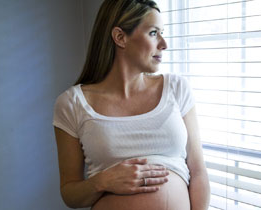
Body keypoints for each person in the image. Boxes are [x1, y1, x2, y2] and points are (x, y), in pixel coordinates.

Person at [52, 0, 210, 209]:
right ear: (120, 37)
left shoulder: (176, 88)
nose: (164, 44)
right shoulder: (72, 104)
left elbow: (198, 171)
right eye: (154, 33)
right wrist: (102, 182)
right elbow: (70, 193)